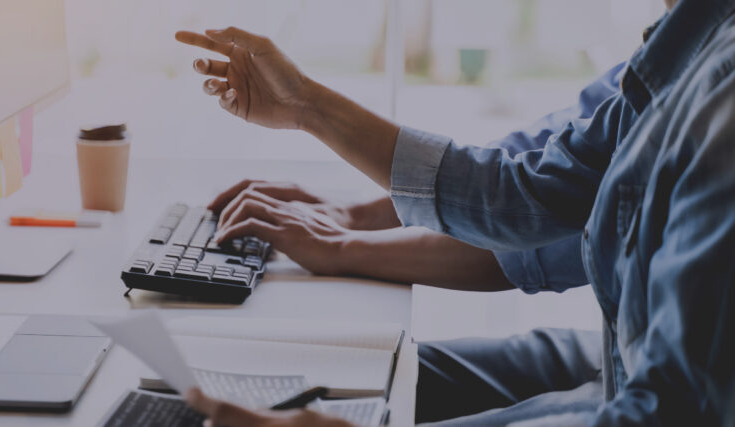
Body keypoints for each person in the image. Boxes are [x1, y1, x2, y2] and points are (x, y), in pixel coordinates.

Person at [175, 0, 735, 424]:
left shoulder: (722, 104)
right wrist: (307, 111)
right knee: (366, 377)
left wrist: (346, 241)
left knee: (366, 401)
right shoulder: (688, 41)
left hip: (651, 385)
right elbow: (530, 187)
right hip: (621, 350)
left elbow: (675, 410)